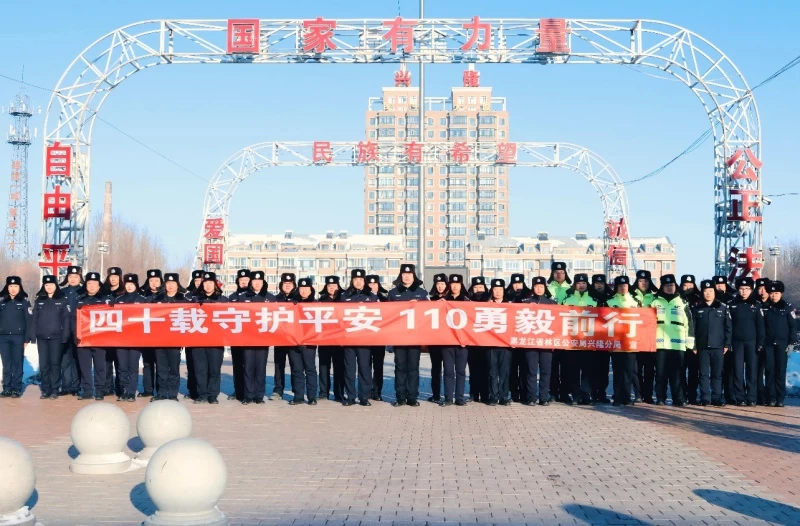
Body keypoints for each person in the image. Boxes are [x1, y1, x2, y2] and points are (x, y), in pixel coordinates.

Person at [387, 264, 428, 407]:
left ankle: (412, 397)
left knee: (413, 369)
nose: (406, 277)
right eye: (404, 274)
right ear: (400, 275)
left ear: (413, 275)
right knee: (400, 368)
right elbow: (387, 314)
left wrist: (419, 305)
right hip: (399, 337)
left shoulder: (422, 293)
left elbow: (429, 313)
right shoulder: (393, 293)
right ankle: (400, 397)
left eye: (409, 274)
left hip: (415, 337)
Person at [651, 274, 694, 406]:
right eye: (667, 285)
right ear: (662, 287)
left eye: (672, 285)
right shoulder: (654, 302)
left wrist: (690, 343)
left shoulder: (682, 302)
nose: (669, 288)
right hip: (660, 344)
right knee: (660, 373)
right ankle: (660, 397)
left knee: (678, 374)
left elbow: (689, 323)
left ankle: (679, 398)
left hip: (678, 345)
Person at [234, 271, 274, 404]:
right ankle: (248, 395)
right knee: (248, 368)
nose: (257, 284)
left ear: (263, 282)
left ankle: (259, 396)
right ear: (251, 283)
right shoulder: (243, 297)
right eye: (255, 281)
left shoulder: (270, 298)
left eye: (259, 281)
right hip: (247, 339)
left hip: (263, 339)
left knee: (260, 368)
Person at [187, 272, 227, 404]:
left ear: (215, 285)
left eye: (211, 283)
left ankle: (213, 395)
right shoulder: (194, 300)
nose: (208, 286)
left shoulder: (223, 300)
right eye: (205, 283)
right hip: (198, 341)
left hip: (216, 341)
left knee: (214, 369)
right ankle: (202, 394)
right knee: (200, 369)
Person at [28, 275, 70, 400]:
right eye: (46, 285)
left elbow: (66, 320)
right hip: (42, 338)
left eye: (51, 285)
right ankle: (46, 390)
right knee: (44, 365)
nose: (49, 287)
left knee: (55, 364)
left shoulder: (62, 300)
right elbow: (34, 319)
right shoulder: (39, 300)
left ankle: (55, 389)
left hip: (56, 338)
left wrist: (65, 336)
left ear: (55, 285)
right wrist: (32, 335)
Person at [692, 280, 732, 406]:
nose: (708, 293)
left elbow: (728, 327)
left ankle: (716, 397)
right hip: (702, 346)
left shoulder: (723, 307)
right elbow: (692, 329)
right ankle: (705, 397)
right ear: (702, 292)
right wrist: (694, 345)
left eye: (710, 291)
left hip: (718, 346)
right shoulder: (697, 308)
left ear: (714, 292)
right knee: (703, 374)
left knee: (717, 374)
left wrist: (727, 344)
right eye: (705, 291)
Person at [341, 269, 376, 406]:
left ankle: (364, 397)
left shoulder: (371, 296)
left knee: (364, 369)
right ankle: (350, 396)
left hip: (364, 339)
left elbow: (380, 314)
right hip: (349, 339)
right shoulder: (345, 296)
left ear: (364, 281)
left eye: (361, 279)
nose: (358, 282)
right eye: (355, 279)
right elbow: (339, 316)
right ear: (352, 280)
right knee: (349, 369)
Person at [728, 277, 765, 407]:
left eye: (747, 289)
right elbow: (728, 325)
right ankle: (740, 398)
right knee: (738, 371)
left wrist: (760, 343)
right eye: (741, 289)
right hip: (737, 342)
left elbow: (760, 326)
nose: (744, 291)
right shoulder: (732, 304)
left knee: (752, 371)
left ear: (751, 290)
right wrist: (729, 342)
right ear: (738, 289)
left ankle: (752, 397)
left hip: (752, 342)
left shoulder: (757, 304)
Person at [562, 273, 598, 405]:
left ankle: (586, 395)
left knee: (588, 371)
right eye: (578, 283)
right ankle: (575, 395)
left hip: (589, 341)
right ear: (575, 285)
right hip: (573, 342)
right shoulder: (567, 300)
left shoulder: (594, 300)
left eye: (584, 283)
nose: (581, 285)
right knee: (573, 370)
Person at [73, 272, 109, 401]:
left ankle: (100, 390)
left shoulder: (106, 300)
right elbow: (73, 319)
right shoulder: (80, 300)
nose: (92, 286)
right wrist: (75, 335)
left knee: (100, 367)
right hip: (83, 340)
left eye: (94, 283)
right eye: (89, 283)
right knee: (85, 367)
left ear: (99, 285)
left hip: (99, 340)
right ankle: (87, 390)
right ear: (86, 285)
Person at [151, 273, 187, 401]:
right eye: (168, 283)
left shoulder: (183, 300)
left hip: (175, 341)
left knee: (174, 369)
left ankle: (172, 394)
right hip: (159, 340)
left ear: (177, 285)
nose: (170, 285)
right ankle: (161, 393)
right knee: (161, 369)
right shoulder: (157, 299)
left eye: (173, 283)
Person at [113, 274, 149, 402]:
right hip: (121, 339)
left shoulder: (143, 300)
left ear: (136, 285)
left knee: (133, 367)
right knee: (122, 366)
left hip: (136, 339)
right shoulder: (118, 299)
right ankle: (123, 390)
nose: (129, 286)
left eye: (132, 284)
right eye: (127, 284)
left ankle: (131, 392)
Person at [606, 276, 640, 406]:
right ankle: (617, 397)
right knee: (617, 371)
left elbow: (643, 321)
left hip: (631, 342)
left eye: (625, 285)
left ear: (628, 286)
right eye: (620, 286)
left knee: (629, 371)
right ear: (616, 287)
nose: (622, 288)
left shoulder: (635, 301)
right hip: (616, 342)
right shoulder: (610, 301)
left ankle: (627, 397)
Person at [521, 276, 555, 406]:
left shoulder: (552, 304)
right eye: (536, 286)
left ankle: (544, 397)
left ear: (545, 288)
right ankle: (531, 397)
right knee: (531, 371)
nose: (539, 289)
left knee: (546, 372)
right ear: (533, 288)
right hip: (531, 344)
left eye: (541, 286)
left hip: (546, 343)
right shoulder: (525, 303)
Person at [762, 281, 796, 407]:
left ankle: (780, 398)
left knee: (780, 371)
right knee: (769, 370)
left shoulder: (787, 307)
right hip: (768, 344)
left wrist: (791, 342)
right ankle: (771, 397)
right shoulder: (765, 307)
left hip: (782, 344)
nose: (773, 296)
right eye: (771, 293)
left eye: (776, 293)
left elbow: (793, 326)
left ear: (781, 293)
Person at [440, 274, 470, 406]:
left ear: (461, 285)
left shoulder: (467, 301)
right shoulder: (443, 301)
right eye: (452, 284)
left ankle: (459, 398)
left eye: (457, 284)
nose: (455, 286)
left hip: (462, 343)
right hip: (447, 342)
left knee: (461, 371)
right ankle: (448, 397)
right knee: (448, 371)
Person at [288, 278, 318, 405]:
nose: (304, 291)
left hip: (309, 343)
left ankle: (312, 397)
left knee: (310, 369)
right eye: (301, 288)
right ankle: (298, 396)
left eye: (306, 288)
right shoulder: (291, 304)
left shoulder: (316, 304)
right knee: (296, 370)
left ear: (311, 290)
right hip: (293, 342)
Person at [0, 276, 30, 398]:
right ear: (7, 287)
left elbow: (28, 321)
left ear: (20, 287)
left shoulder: (24, 302)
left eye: (15, 286)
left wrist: (27, 338)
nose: (13, 289)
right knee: (6, 364)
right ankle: (7, 388)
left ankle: (17, 388)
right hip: (3, 338)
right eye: (11, 286)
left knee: (17, 363)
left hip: (18, 337)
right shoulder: (2, 301)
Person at [318, 275, 345, 402]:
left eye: (334, 285)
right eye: (329, 286)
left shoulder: (343, 300)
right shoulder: (321, 301)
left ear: (338, 286)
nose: (332, 288)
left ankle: (339, 393)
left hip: (340, 340)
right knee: (324, 367)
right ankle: (324, 392)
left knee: (339, 367)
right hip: (324, 339)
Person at [547, 262, 572, 403]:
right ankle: (553, 392)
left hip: (568, 332)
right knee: (553, 365)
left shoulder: (571, 289)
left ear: (565, 273)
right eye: (556, 272)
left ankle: (565, 393)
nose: (559, 274)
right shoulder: (547, 289)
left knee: (567, 365)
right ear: (552, 274)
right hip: (551, 332)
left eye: (562, 272)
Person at [138, 269, 163, 398]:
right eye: (151, 280)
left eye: (156, 281)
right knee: (147, 363)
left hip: (161, 337)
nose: (154, 283)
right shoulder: (143, 297)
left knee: (161, 364)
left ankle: (160, 390)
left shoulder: (165, 296)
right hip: (146, 336)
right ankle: (148, 390)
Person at [633, 269, 657, 404]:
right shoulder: (631, 296)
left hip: (650, 339)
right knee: (635, 370)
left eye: (646, 281)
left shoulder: (655, 297)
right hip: (634, 339)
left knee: (649, 370)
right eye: (641, 281)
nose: (643, 283)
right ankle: (637, 393)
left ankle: (648, 395)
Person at [226, 268, 251, 402]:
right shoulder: (232, 298)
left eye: (246, 280)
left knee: (249, 366)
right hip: (235, 337)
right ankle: (238, 391)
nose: (244, 282)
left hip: (250, 338)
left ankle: (249, 391)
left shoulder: (254, 297)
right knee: (237, 365)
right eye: (241, 280)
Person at [59, 265, 83, 396]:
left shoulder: (84, 292)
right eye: (70, 276)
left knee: (77, 359)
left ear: (80, 277)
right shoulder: (61, 293)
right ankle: (66, 385)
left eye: (76, 276)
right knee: (65, 360)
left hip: (79, 331)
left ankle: (76, 386)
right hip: (64, 331)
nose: (73, 279)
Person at [272, 273, 297, 400]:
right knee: (278, 365)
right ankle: (278, 390)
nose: (287, 286)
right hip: (279, 338)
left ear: (294, 285)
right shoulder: (275, 300)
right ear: (281, 285)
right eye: (285, 283)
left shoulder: (298, 299)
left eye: (290, 283)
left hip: (294, 338)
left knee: (295, 365)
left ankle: (296, 390)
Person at [486, 278, 510, 406]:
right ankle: (493, 396)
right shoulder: (486, 306)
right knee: (492, 372)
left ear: (504, 291)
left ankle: (504, 396)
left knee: (504, 372)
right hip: (491, 344)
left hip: (506, 345)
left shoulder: (511, 306)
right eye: (495, 289)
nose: (498, 292)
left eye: (500, 289)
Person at [506, 273, 530, 403]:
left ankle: (525, 393)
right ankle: (514, 393)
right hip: (510, 339)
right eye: (515, 283)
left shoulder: (529, 296)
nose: (517, 286)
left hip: (525, 338)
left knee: (525, 368)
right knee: (512, 368)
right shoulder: (507, 296)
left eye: (520, 283)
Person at [590, 274, 614, 403]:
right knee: (593, 369)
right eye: (596, 283)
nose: (599, 286)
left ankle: (602, 394)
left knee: (604, 370)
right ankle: (593, 393)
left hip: (606, 339)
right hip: (591, 339)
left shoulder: (610, 299)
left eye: (601, 283)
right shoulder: (589, 298)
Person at [467, 276, 490, 403]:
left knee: (486, 369)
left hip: (487, 341)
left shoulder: (490, 301)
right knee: (473, 369)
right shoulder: (467, 302)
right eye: (475, 287)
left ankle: (485, 394)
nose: (478, 290)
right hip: (472, 341)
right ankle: (473, 394)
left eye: (481, 287)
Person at [101, 267, 123, 396]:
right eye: (111, 276)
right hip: (106, 332)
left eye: (116, 276)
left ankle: (120, 387)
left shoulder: (124, 292)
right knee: (106, 361)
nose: (113, 279)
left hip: (120, 333)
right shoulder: (103, 292)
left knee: (120, 362)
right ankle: (107, 388)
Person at [680, 274, 702, 404]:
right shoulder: (677, 299)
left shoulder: (699, 299)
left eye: (690, 285)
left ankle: (692, 395)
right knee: (680, 370)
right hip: (679, 341)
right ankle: (682, 395)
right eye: (685, 285)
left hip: (695, 342)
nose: (688, 287)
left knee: (694, 371)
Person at [366, 274, 388, 401]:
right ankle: (367, 390)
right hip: (365, 338)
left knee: (378, 366)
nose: (372, 286)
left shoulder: (384, 299)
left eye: (374, 284)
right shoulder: (361, 298)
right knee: (366, 366)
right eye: (369, 284)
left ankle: (377, 391)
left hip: (379, 338)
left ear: (378, 285)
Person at [183, 269, 204, 400]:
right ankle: (192, 390)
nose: (198, 283)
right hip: (191, 336)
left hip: (206, 336)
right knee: (191, 365)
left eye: (201, 280)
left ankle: (204, 390)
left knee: (204, 366)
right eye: (196, 280)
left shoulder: (210, 295)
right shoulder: (187, 297)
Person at [427, 273, 448, 404]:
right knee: (435, 369)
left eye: (442, 284)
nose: (440, 286)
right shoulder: (429, 300)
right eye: (438, 284)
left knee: (448, 369)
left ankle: (448, 395)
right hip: (434, 340)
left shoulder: (451, 300)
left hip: (448, 340)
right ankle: (435, 394)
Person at [754, 277, 772, 405]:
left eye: (765, 288)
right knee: (757, 371)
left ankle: (770, 396)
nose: (762, 291)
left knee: (771, 370)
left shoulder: (774, 304)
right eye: (759, 288)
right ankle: (759, 396)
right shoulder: (754, 304)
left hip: (771, 343)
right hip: (757, 343)